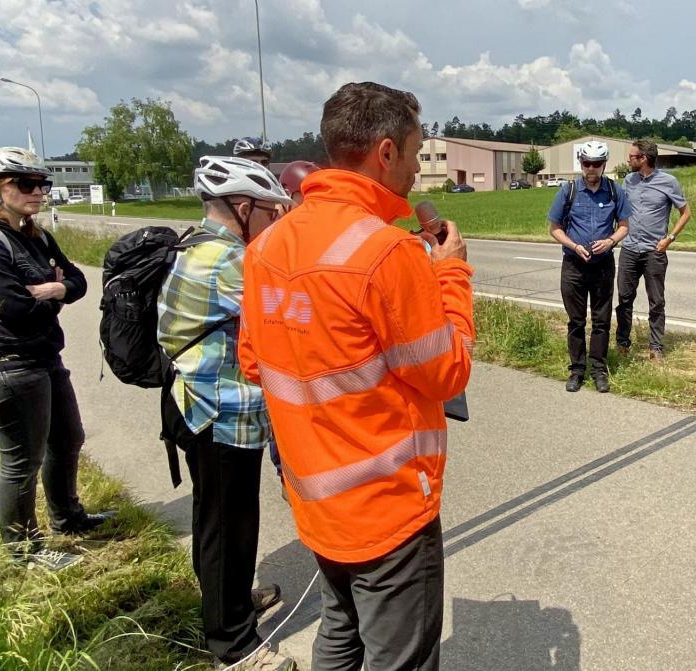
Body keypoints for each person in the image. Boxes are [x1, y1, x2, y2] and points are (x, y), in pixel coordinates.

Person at [239, 81, 475, 670]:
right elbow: (447, 373)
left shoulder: (268, 244)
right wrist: (450, 275)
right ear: (385, 152)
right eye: (416, 154)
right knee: (399, 658)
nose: (417, 170)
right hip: (386, 508)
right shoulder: (387, 252)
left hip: (316, 498)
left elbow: (254, 362)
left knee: (340, 634)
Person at [157, 156, 295, 670]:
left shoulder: (198, 243)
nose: (275, 221)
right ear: (242, 207)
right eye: (270, 211)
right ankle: (233, 646)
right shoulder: (229, 260)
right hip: (219, 412)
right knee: (228, 526)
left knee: (217, 519)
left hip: (195, 403)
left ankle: (229, 604)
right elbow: (292, 313)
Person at [0, 146, 113, 571]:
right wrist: (52, 294)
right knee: (22, 461)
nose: (38, 191)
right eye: (26, 184)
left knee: (68, 439)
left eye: (42, 183)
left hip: (42, 356)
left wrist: (56, 289)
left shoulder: (35, 235)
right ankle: (25, 551)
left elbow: (78, 280)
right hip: (3, 365)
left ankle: (68, 518)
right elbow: (16, 307)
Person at [547, 140, 630, 393]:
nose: (591, 168)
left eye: (596, 163)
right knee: (576, 321)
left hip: (603, 265)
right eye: (587, 163)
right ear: (581, 163)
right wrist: (574, 246)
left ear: (604, 164)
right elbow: (554, 228)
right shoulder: (568, 191)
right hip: (574, 265)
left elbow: (624, 226)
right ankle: (577, 370)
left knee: (601, 320)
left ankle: (598, 370)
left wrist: (611, 241)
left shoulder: (615, 191)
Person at [615, 138, 692, 361]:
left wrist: (670, 238)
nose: (628, 160)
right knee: (624, 299)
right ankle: (622, 343)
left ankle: (656, 347)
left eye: (631, 157)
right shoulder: (628, 180)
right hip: (629, 249)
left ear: (643, 158)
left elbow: (685, 213)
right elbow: (620, 210)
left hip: (654, 251)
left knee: (656, 301)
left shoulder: (669, 182)